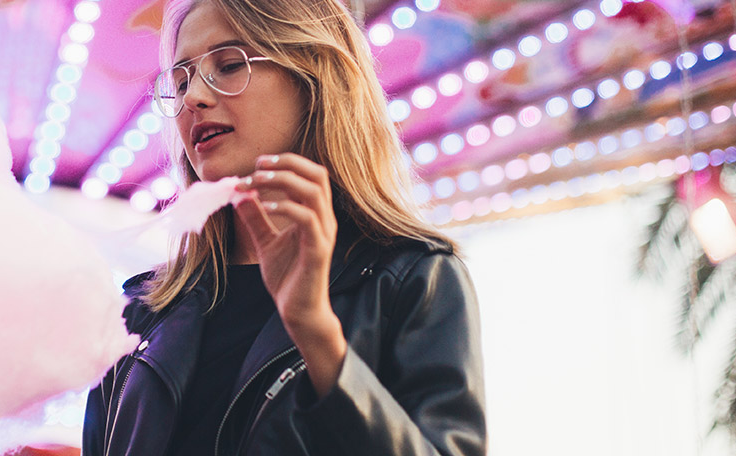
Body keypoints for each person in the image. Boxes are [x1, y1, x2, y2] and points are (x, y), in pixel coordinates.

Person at [82, 0, 485, 454]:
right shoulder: (140, 311)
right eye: (180, 81)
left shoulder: (412, 280)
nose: (193, 96)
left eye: (230, 65)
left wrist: (316, 333)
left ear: (314, 79)